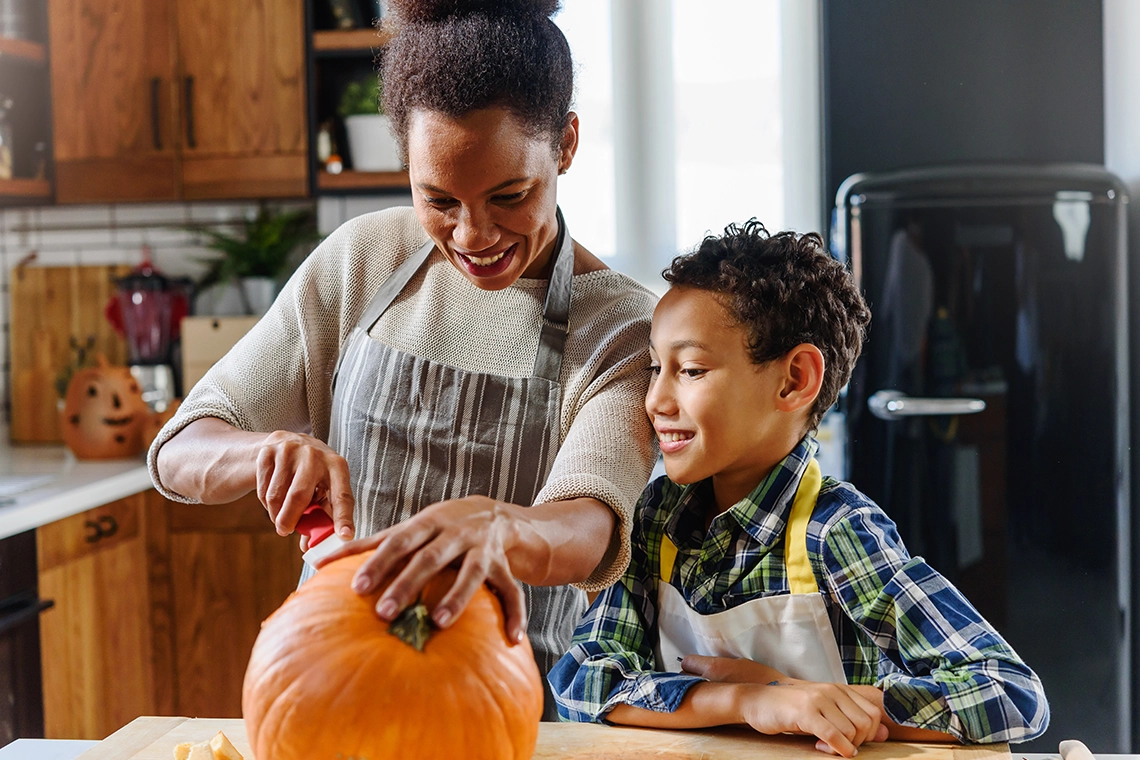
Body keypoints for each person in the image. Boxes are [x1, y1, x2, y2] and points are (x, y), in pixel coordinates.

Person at [148, 0, 658, 719]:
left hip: (504, 706)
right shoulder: (366, 259)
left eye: (509, 195)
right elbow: (179, 448)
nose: (473, 233)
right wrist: (266, 450)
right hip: (325, 686)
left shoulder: (621, 327)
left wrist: (499, 525)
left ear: (566, 145)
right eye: (438, 198)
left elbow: (590, 527)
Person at [549, 220, 1049, 754]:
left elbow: (1009, 693)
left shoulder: (836, 529)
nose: (656, 401)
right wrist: (749, 699)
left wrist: (812, 701)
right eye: (655, 368)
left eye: (691, 370)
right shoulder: (656, 519)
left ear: (794, 380)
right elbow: (584, 681)